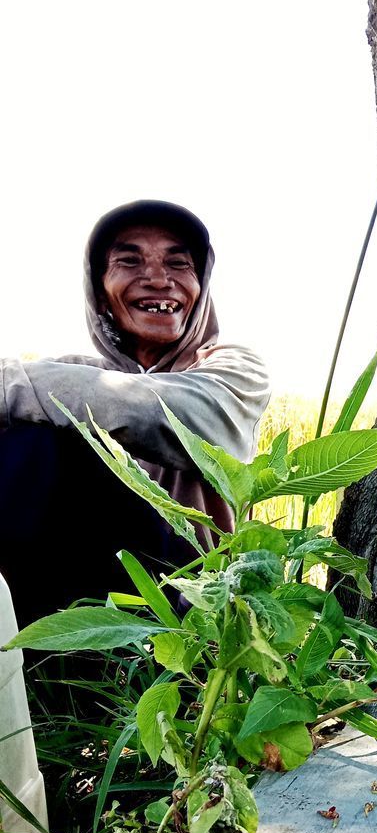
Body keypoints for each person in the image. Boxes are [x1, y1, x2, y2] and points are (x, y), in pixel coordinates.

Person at [0, 200, 270, 625]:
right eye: (129, 261)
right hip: (65, 585)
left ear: (200, 291)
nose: (159, 279)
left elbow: (176, 415)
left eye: (179, 264)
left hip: (187, 601)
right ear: (101, 294)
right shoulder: (73, 373)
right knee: (25, 443)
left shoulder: (233, 369)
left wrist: (10, 383)